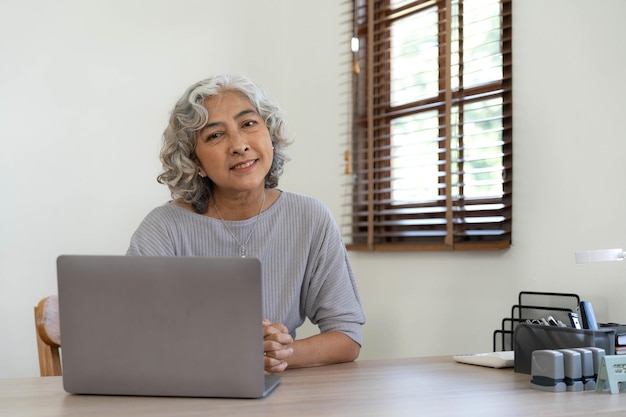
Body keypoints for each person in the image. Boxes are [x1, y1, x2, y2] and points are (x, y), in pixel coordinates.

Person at [127, 74, 365, 373]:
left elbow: (347, 336)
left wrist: (280, 353)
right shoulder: (164, 228)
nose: (239, 145)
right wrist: (231, 351)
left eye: (249, 124)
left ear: (270, 134)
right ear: (194, 161)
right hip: (188, 391)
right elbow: (135, 336)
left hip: (277, 397)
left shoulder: (310, 218)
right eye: (215, 135)